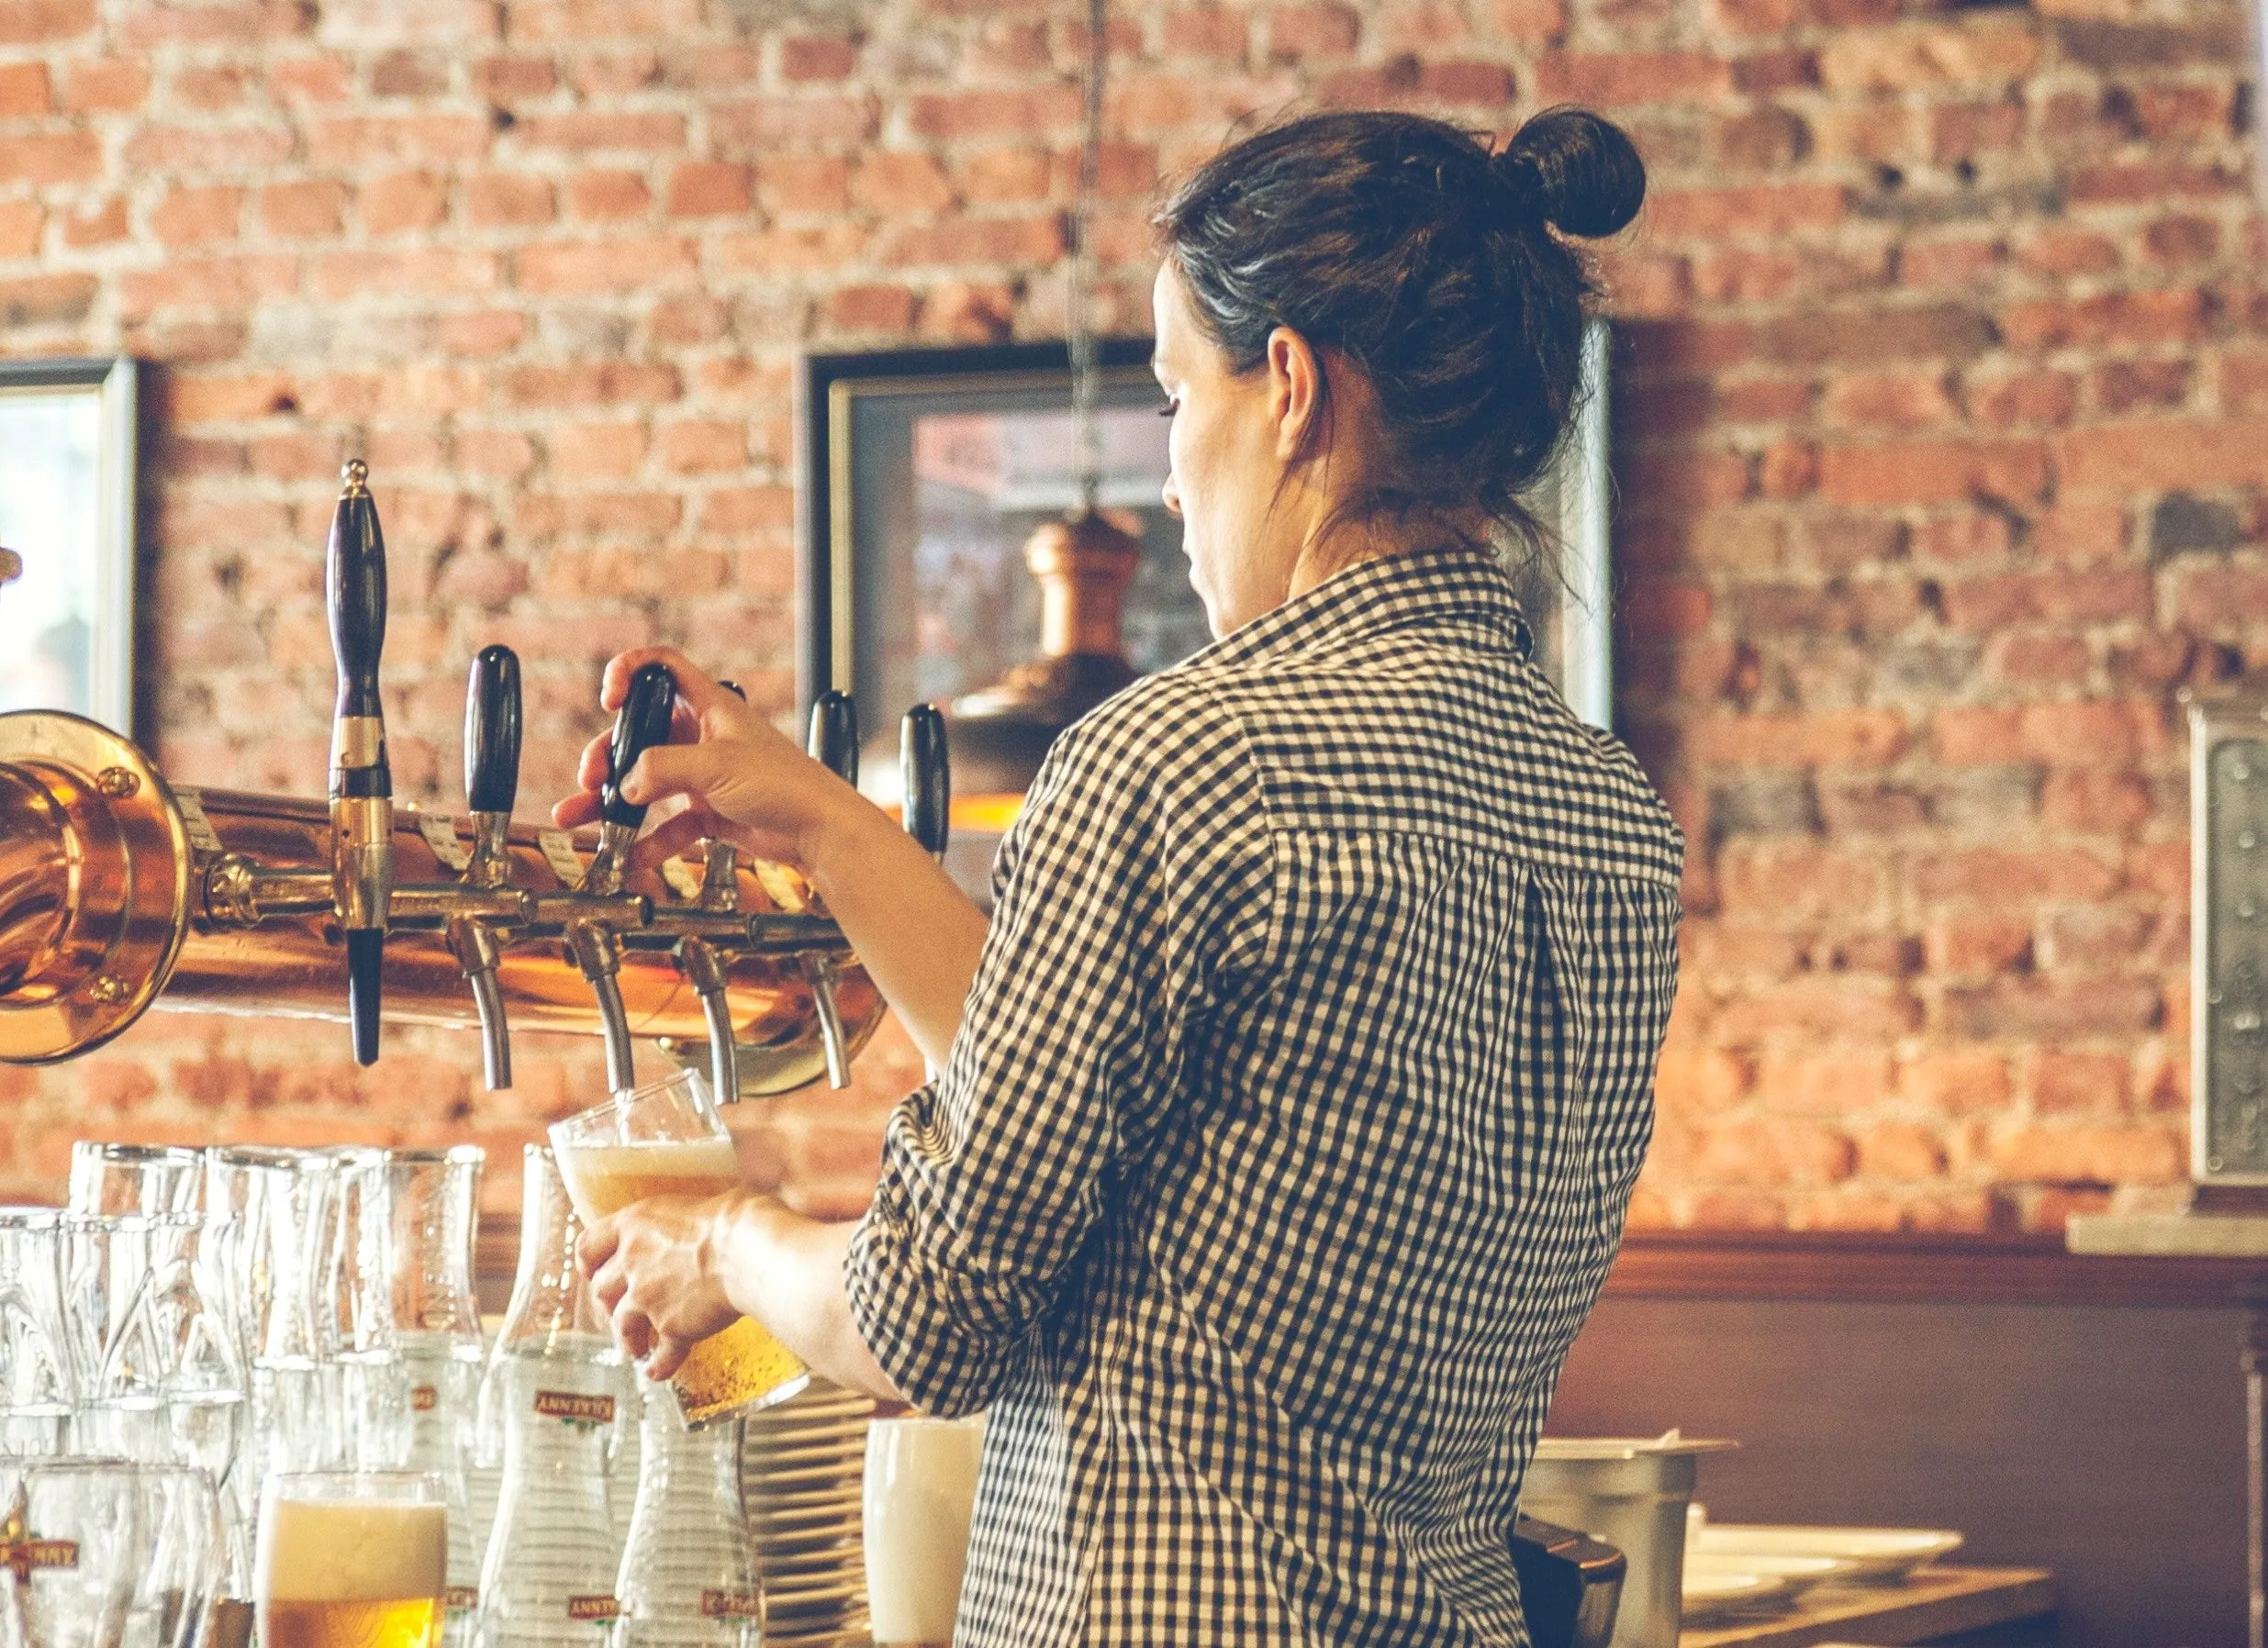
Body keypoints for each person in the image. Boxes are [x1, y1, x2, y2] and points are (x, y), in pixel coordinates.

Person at [558, 106, 1682, 1643]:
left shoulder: (1182, 756)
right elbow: (1122, 1131)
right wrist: (822, 820)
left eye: (1172, 398)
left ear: (1286, 387)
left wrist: (732, 1238)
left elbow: (928, 1318)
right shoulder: (1610, 809)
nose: (1166, 480)